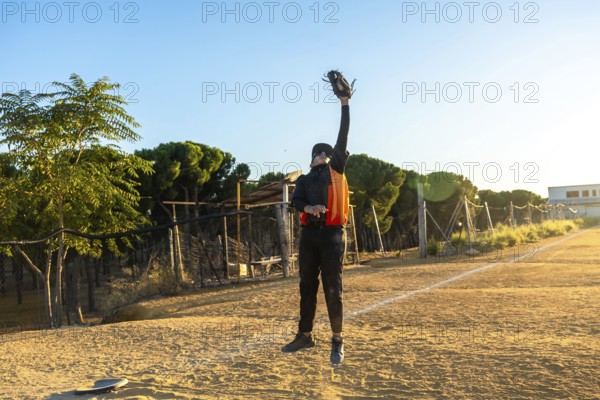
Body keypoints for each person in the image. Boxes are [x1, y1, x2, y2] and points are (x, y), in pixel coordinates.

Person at [281, 94, 350, 365]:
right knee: (306, 286)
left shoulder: (336, 172)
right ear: (311, 159)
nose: (323, 154)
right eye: (318, 153)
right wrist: (308, 209)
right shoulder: (305, 179)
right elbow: (296, 201)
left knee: (333, 288)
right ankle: (305, 335)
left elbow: (343, 137)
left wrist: (345, 103)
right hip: (309, 236)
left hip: (333, 235)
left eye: (327, 153)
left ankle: (337, 341)